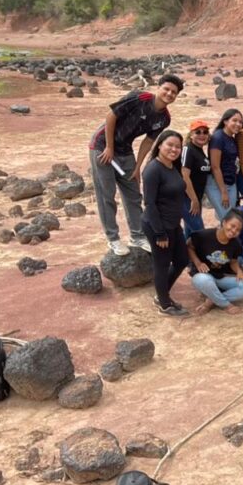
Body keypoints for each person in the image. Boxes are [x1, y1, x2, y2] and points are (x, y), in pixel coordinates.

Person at [88, 73, 183, 255]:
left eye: (174, 92)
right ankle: (113, 239)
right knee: (107, 194)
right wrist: (109, 147)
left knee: (133, 194)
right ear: (158, 88)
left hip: (125, 150)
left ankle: (137, 236)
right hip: (102, 146)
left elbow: (148, 142)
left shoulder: (164, 118)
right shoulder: (140, 97)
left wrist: (138, 166)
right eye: (166, 89)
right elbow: (111, 116)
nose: (169, 94)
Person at [141, 130, 189, 316]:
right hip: (158, 226)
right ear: (160, 144)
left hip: (173, 224)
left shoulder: (172, 166)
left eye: (178, 147)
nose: (174, 149)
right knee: (161, 264)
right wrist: (160, 233)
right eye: (170, 145)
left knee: (182, 260)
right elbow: (149, 203)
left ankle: (161, 295)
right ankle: (164, 305)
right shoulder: (153, 170)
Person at [187, 209, 243, 316]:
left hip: (220, 277)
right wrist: (198, 263)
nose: (234, 231)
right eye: (232, 226)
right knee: (202, 280)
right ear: (224, 222)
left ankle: (211, 301)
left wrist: (239, 272)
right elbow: (189, 246)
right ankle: (226, 305)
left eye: (238, 230)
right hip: (203, 275)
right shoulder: (205, 235)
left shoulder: (236, 243)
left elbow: (233, 262)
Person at [208, 108, 242, 222]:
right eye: (234, 120)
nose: (238, 124)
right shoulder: (218, 138)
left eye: (240, 122)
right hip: (218, 184)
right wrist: (223, 192)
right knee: (227, 219)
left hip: (231, 182)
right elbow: (215, 167)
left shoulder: (232, 138)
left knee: (229, 217)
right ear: (225, 121)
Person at [180, 119, 212, 239]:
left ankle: (185, 251)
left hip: (196, 198)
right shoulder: (188, 149)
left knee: (190, 235)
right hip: (186, 198)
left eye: (205, 132)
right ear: (191, 135)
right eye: (198, 132)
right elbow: (184, 175)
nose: (202, 135)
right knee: (200, 232)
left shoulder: (199, 151)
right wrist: (193, 199)